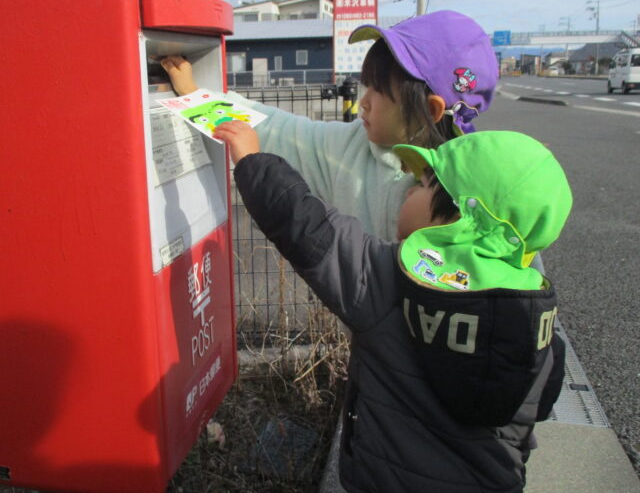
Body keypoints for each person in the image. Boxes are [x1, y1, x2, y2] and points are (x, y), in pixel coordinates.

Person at [213, 121, 572, 493]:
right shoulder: (534, 315)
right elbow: (541, 403)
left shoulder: (392, 281)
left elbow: (310, 229)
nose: (408, 191)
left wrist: (253, 160)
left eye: (424, 184)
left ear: (459, 218)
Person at [161, 10, 499, 242]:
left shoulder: (480, 185)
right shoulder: (350, 147)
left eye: (379, 91)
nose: (364, 100)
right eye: (365, 85)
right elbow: (278, 129)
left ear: (430, 109)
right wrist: (196, 97)